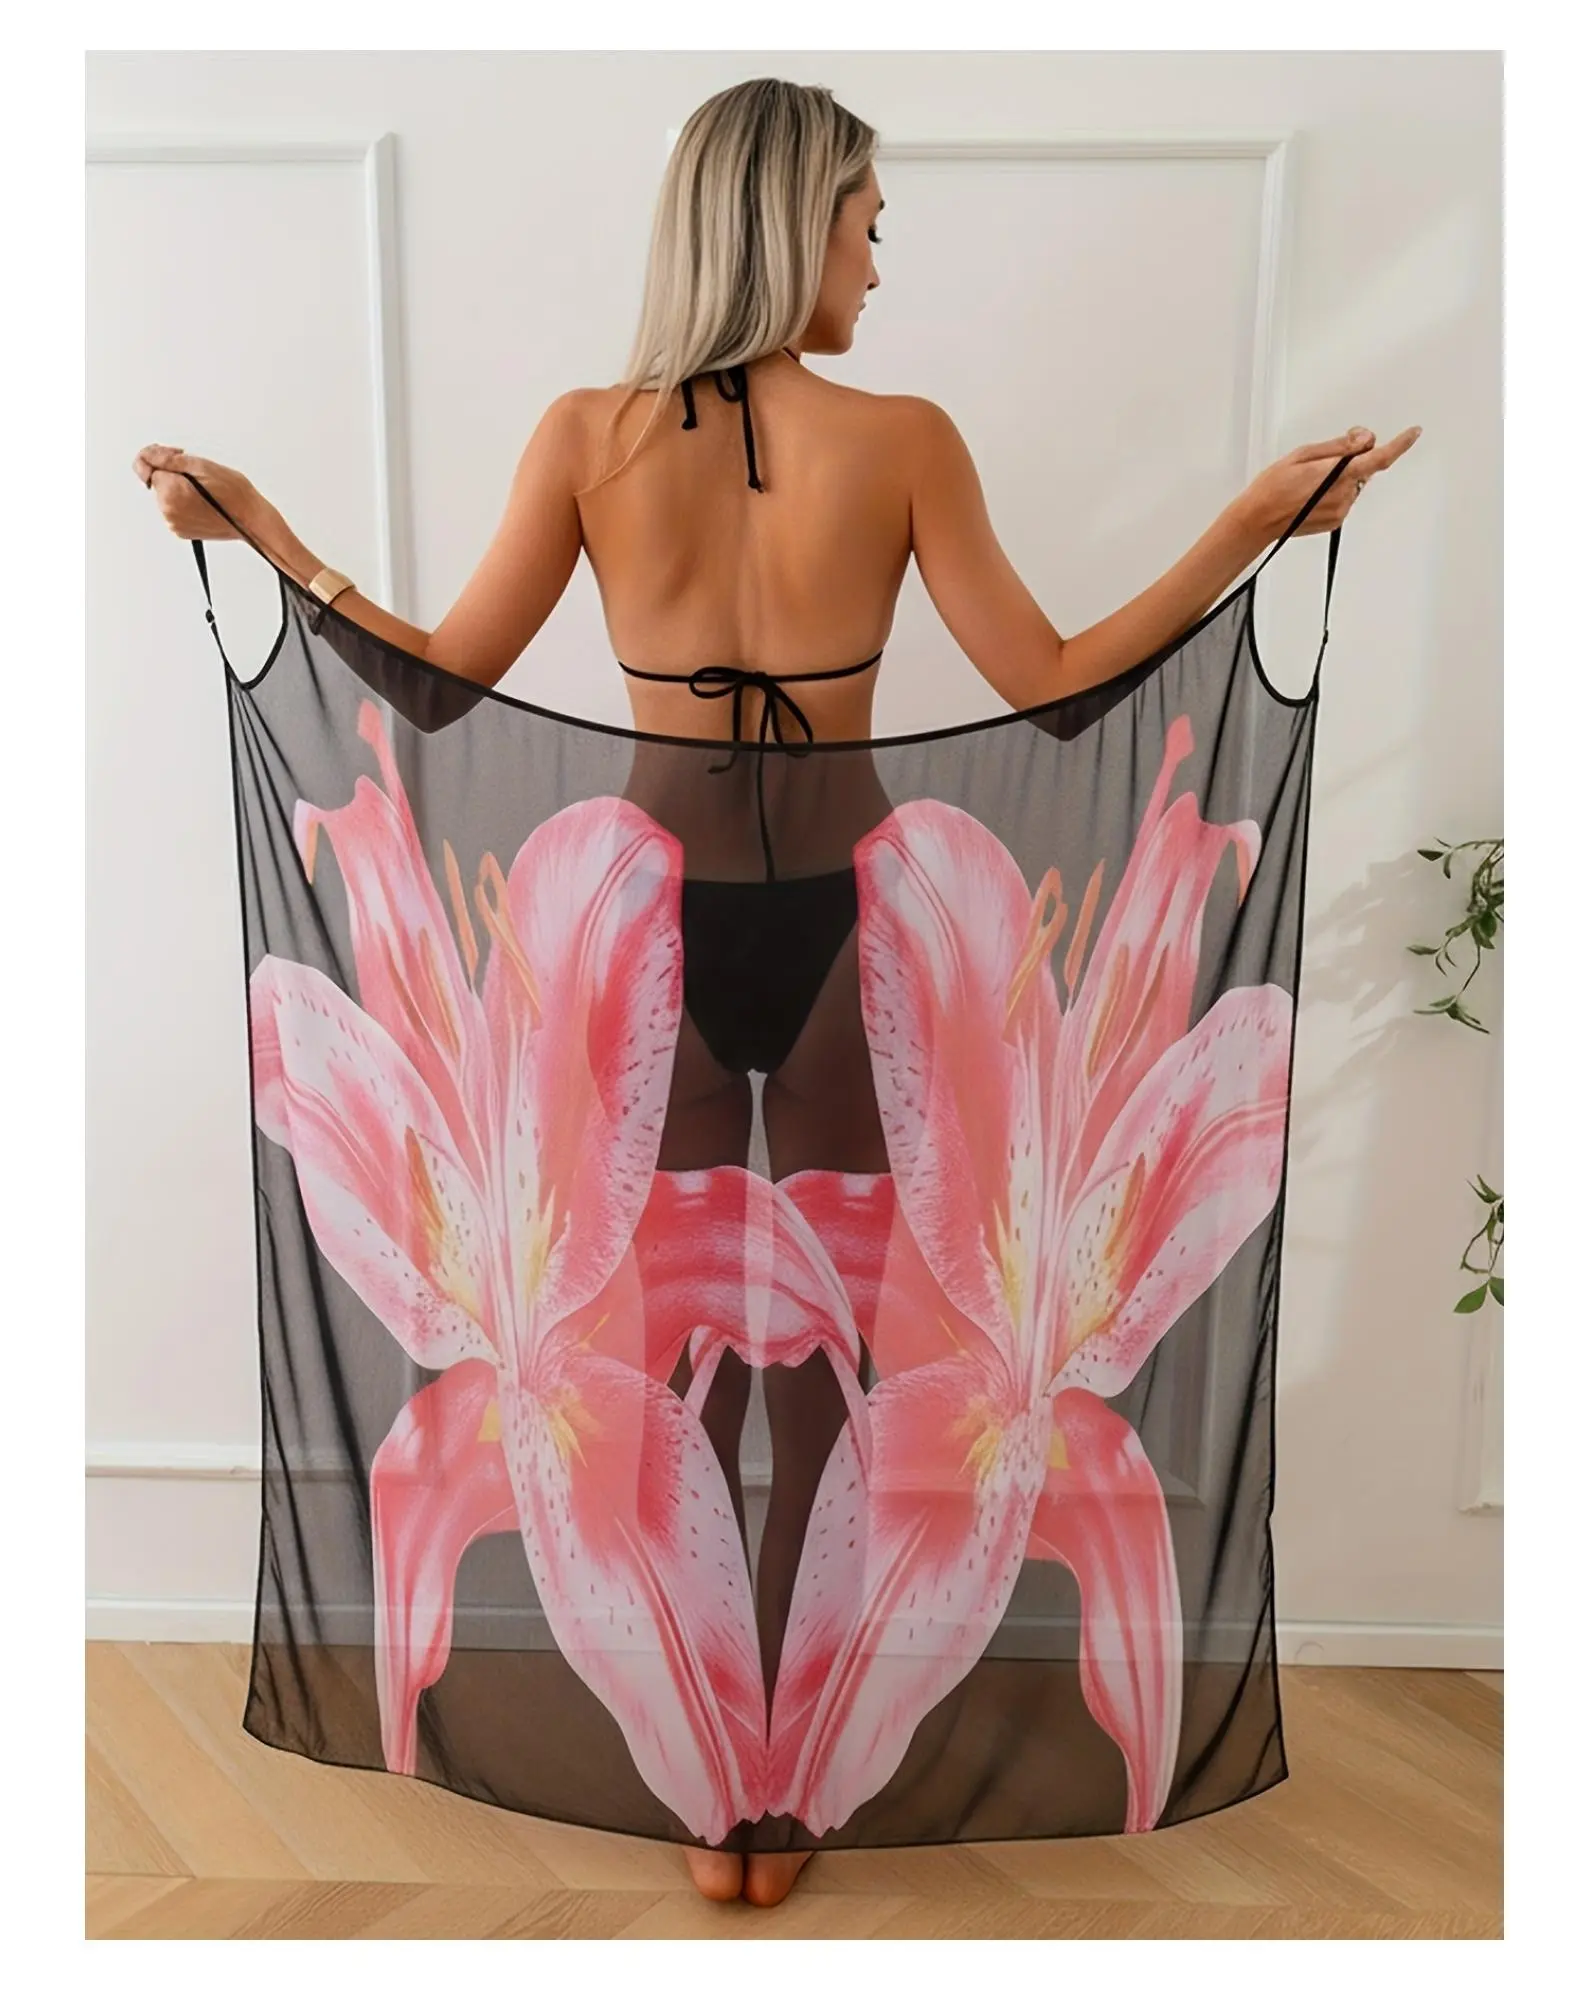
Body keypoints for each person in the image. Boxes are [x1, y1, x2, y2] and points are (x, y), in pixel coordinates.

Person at [135, 76, 1419, 1909]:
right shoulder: (898, 442)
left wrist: (270, 537)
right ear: (790, 221)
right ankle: (785, 1788)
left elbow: (430, 685)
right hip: (849, 925)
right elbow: (1057, 686)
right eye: (865, 225)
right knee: (827, 1373)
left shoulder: (588, 437)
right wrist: (1250, 528)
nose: (878, 264)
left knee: (666, 1362)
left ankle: (706, 1789)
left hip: (642, 931)